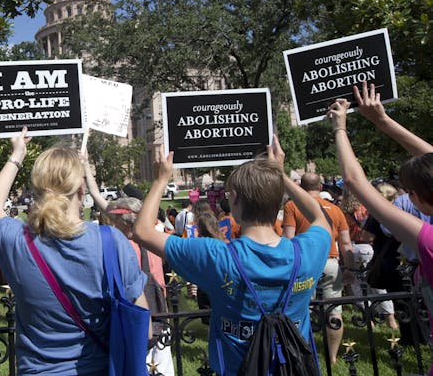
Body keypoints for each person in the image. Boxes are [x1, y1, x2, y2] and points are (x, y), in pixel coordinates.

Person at [134, 137, 331, 376]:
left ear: (234, 199)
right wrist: (281, 176)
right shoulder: (308, 251)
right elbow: (320, 217)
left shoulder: (216, 256)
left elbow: (142, 231)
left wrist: (160, 180)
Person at [0, 128, 149, 375]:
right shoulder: (111, 241)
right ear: (81, 190)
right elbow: (143, 328)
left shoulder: (18, 241)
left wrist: (17, 153)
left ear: (36, 191)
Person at [329, 82, 433, 372]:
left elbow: (354, 182)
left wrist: (340, 126)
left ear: (417, 199)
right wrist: (383, 121)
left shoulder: (428, 240)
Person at [282, 171, 354, 364]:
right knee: (334, 310)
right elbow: (346, 243)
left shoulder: (291, 206)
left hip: (305, 263)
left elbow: (288, 238)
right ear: (320, 188)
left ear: (300, 188)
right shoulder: (335, 209)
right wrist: (349, 268)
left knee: (301, 309)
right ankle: (332, 357)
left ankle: (303, 353)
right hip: (331, 261)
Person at [104, 196, 175, 376]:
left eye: (115, 222)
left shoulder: (124, 247)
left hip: (138, 321)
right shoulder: (154, 241)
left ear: (125, 224)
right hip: (161, 314)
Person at [340, 188, 399, 330]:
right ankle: (390, 319)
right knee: (378, 286)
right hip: (368, 247)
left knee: (358, 285)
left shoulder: (343, 212)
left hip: (353, 248)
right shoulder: (365, 209)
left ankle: (368, 319)